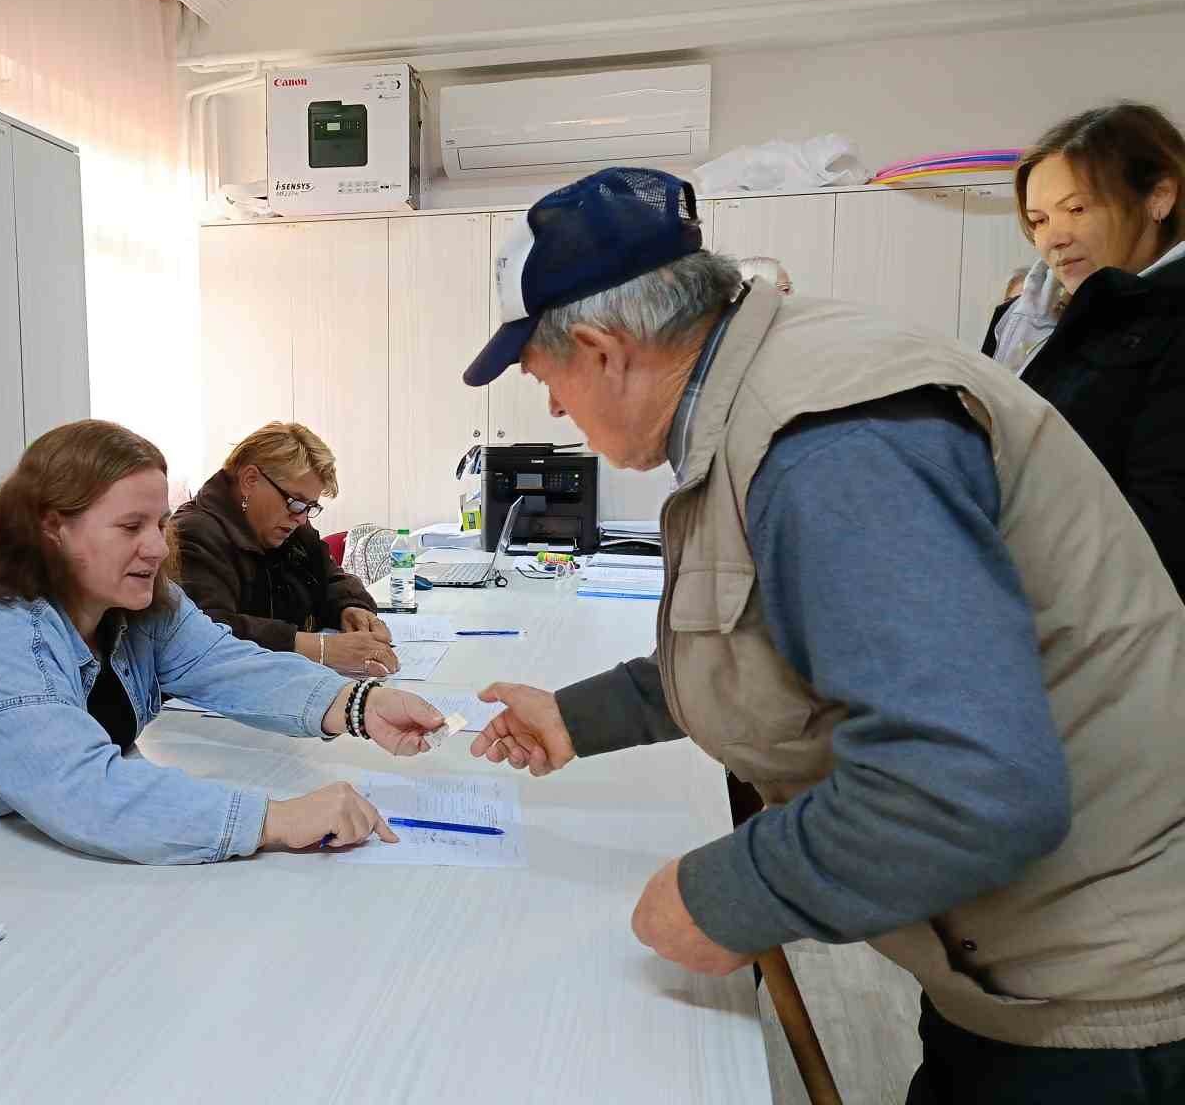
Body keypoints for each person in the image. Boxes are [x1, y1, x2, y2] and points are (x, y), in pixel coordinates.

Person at [461, 166, 1185, 1103]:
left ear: (602, 350)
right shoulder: (771, 391)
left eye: (542, 376)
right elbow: (765, 639)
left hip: (1100, 1004)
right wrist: (575, 716)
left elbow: (963, 786)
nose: (553, 409)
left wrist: (724, 894)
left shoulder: (829, 444)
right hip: (1014, 961)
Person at [0, 421, 445, 911]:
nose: (155, 547)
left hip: (8, 872)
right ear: (52, 528)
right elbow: (81, 789)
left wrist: (358, 706)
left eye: (161, 523)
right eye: (131, 526)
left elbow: (224, 662)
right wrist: (275, 819)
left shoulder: (136, 601)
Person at [980, 102, 1185, 595]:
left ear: (1158, 197)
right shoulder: (1021, 320)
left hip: (1115, 615)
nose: (1055, 239)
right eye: (1039, 219)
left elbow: (1162, 519)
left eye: (1077, 209)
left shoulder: (1171, 317)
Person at [174, 422, 399, 678]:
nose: (302, 518)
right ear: (250, 480)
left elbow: (331, 577)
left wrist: (351, 607)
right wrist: (315, 648)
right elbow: (210, 631)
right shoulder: (193, 533)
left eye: (309, 507)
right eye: (296, 503)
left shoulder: (289, 523)